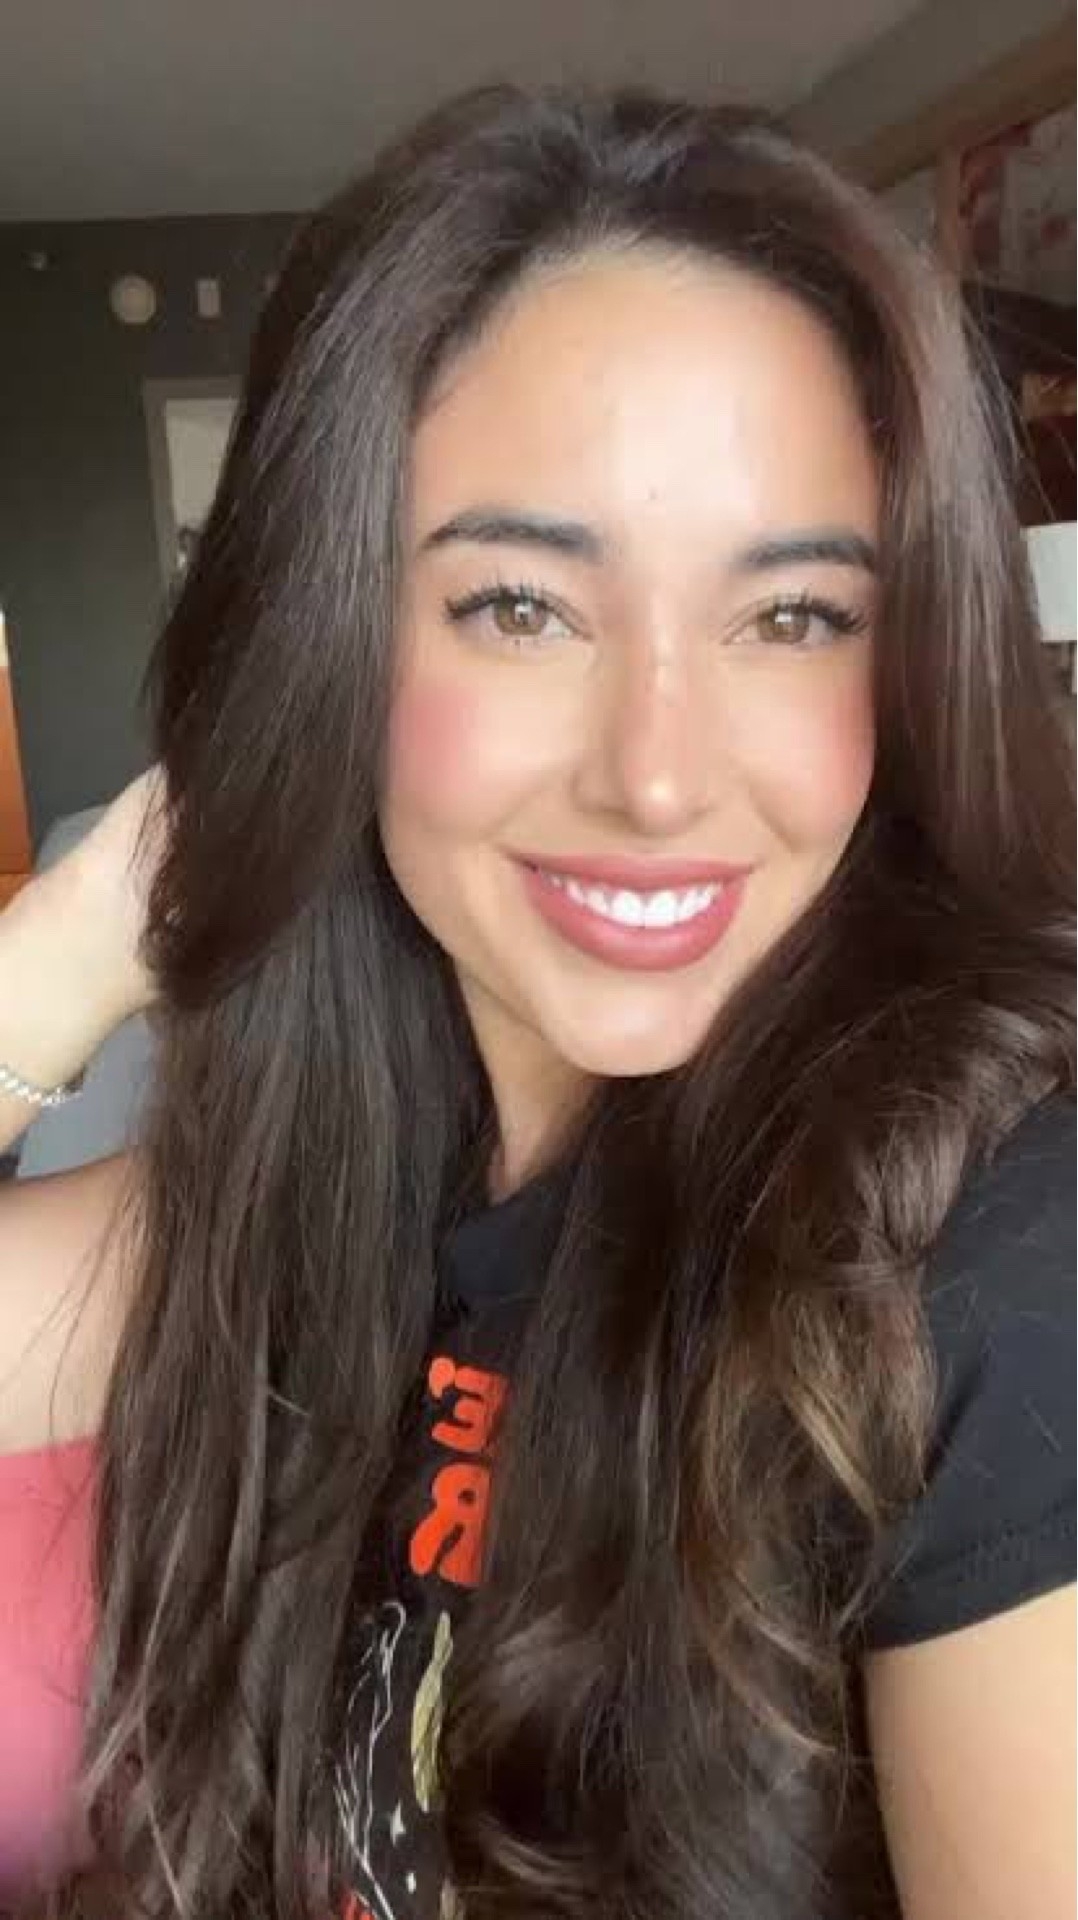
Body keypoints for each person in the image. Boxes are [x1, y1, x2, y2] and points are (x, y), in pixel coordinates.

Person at [0, 82, 1073, 1920]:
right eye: (521, 608)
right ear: (329, 640)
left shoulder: (987, 1267)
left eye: (792, 616)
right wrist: (84, 929)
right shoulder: (310, 1190)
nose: (655, 776)